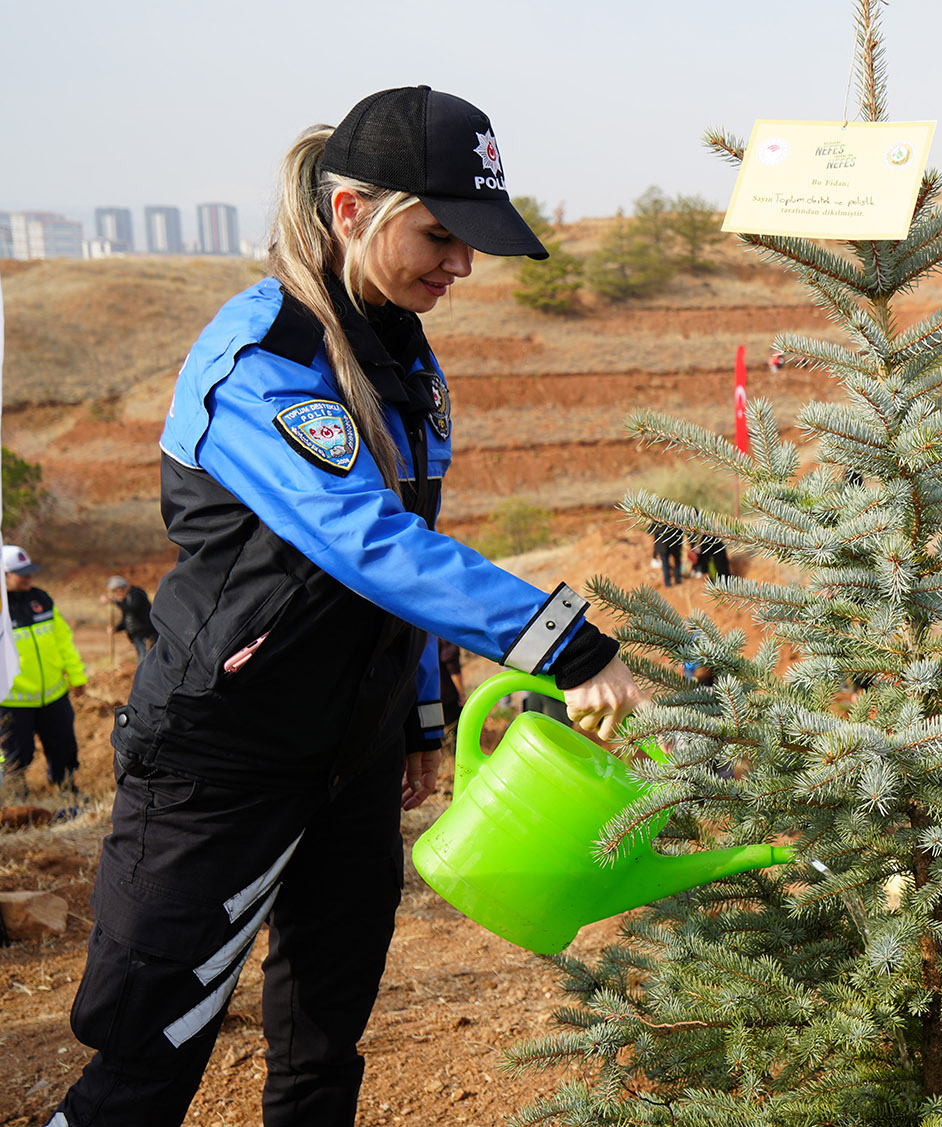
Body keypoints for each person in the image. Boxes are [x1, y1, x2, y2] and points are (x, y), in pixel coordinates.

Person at [49, 87, 644, 1127]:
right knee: (149, 1055)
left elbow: (403, 558)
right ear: (352, 209)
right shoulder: (264, 358)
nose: (461, 265)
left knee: (326, 1041)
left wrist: (419, 719)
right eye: (442, 234)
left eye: (473, 243)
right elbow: (369, 547)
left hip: (353, 760)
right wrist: (571, 643)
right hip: (225, 759)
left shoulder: (403, 354)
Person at [2, 545, 87, 804]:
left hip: (54, 696)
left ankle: (66, 790)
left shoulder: (41, 599)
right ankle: (14, 801)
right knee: (17, 755)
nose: (28, 577)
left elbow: (63, 641)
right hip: (12, 703)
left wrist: (77, 675)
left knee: (64, 749)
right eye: (20, 573)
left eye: (29, 572)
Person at [102, 576, 159, 662]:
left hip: (145, 633)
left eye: (115, 592)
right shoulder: (126, 599)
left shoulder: (136, 593)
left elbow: (133, 610)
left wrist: (116, 602)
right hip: (136, 635)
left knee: (145, 661)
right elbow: (127, 619)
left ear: (119, 589)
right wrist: (116, 628)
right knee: (142, 660)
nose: (116, 595)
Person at [650, 521, 684, 587]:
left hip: (664, 545)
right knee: (675, 562)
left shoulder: (658, 518)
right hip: (674, 544)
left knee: (666, 564)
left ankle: (668, 583)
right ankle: (677, 580)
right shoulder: (675, 517)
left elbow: (650, 530)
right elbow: (681, 532)